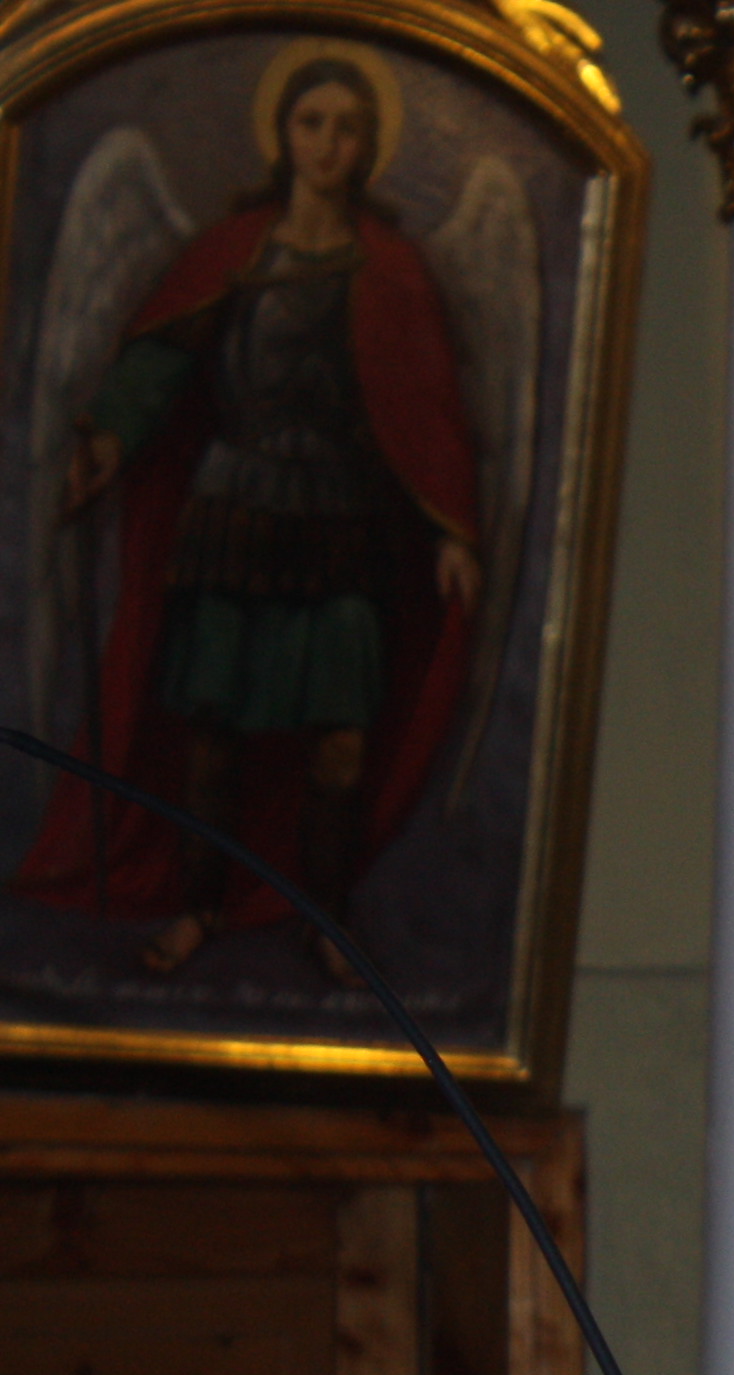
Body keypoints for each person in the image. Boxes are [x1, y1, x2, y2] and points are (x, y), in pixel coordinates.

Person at [21, 49, 482, 975]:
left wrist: (450, 530)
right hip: (234, 507)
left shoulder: (390, 270)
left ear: (370, 146)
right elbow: (159, 362)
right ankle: (199, 910)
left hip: (339, 521)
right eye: (312, 124)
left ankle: (326, 916)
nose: (328, 144)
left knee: (342, 738)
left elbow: (423, 410)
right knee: (214, 731)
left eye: (348, 129)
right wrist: (108, 440)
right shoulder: (232, 254)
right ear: (283, 133)